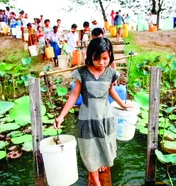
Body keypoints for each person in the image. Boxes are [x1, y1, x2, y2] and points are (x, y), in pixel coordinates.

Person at [53, 37, 132, 186]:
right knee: (89, 150)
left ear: (110, 57)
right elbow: (74, 95)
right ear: (91, 56)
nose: (101, 63)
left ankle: (102, 164)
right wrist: (61, 116)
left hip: (105, 118)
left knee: (105, 145)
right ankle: (96, 182)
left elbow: (111, 91)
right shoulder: (82, 73)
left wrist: (123, 104)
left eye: (105, 58)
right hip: (87, 118)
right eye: (97, 59)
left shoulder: (110, 73)